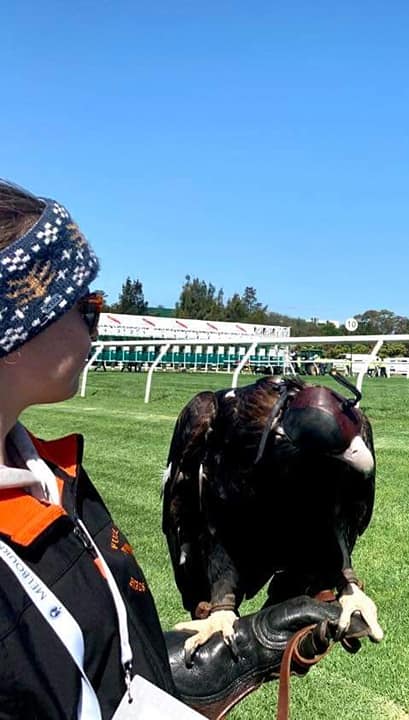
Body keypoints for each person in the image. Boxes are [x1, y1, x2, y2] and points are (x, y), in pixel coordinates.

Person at [0, 181, 372, 719]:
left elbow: (105, 679)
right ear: (14, 322)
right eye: (82, 302)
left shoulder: (49, 476)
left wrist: (242, 652)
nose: (97, 317)